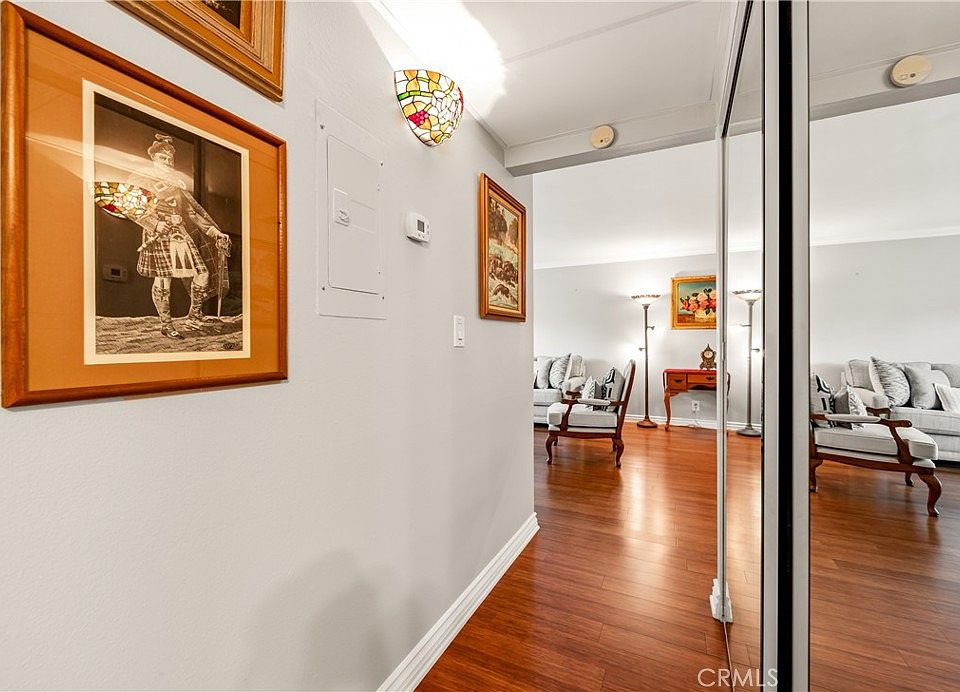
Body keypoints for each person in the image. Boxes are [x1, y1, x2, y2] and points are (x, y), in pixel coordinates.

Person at [127, 134, 232, 339]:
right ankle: (166, 325)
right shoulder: (141, 177)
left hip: (180, 231)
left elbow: (192, 214)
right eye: (163, 158)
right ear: (153, 158)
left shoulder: (176, 182)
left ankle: (194, 316)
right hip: (158, 232)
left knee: (202, 274)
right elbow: (133, 207)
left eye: (170, 159)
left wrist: (215, 232)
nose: (167, 162)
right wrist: (155, 224)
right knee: (163, 279)